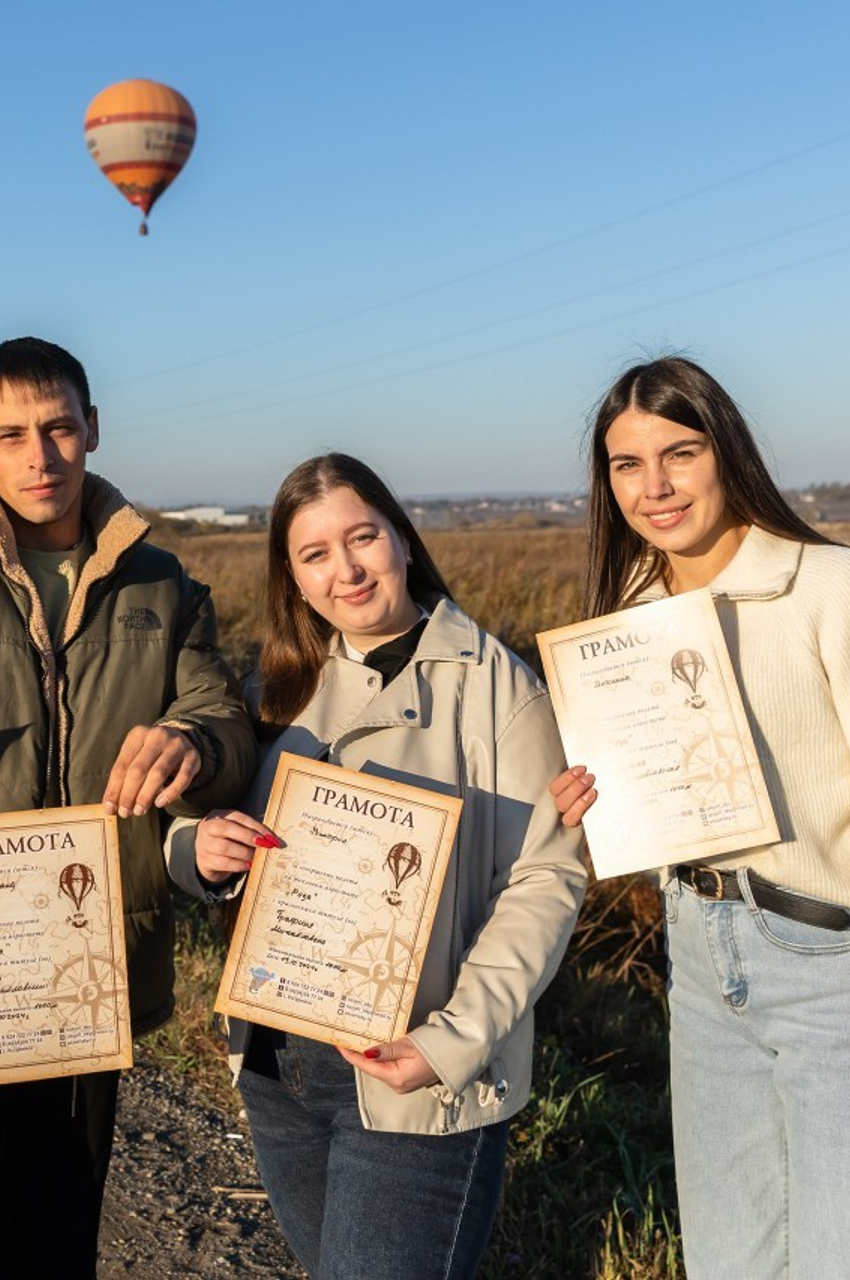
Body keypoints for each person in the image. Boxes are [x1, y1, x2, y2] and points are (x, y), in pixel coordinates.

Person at [0, 336, 256, 1279]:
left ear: (93, 428)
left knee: (57, 1243)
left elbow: (225, 723)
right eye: (13, 433)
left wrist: (191, 743)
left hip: (87, 979)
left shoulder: (161, 582)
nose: (42, 455)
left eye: (60, 427)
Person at [166, 453, 587, 1279]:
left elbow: (544, 882)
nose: (346, 570)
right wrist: (201, 851)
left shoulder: (500, 687)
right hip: (278, 1070)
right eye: (314, 553)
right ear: (290, 573)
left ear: (402, 537)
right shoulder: (276, 689)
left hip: (408, 1078)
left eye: (363, 537)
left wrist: (451, 1042)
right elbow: (189, 833)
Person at [550, 356, 850, 1279]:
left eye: (679, 453)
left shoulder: (824, 585)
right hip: (695, 944)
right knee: (730, 1255)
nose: (656, 486)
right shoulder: (627, 614)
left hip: (824, 957)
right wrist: (593, 808)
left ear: (729, 449)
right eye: (626, 464)